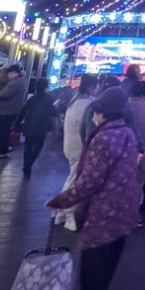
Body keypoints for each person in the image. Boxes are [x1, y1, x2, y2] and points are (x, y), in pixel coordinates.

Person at [47, 87, 140, 290]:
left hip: (102, 217)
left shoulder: (104, 139)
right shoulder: (128, 134)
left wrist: (61, 200)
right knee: (99, 274)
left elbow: (89, 182)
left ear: (101, 113)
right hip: (123, 215)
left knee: (93, 281)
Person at [58, 75, 99, 231]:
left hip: (70, 145)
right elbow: (90, 128)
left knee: (72, 179)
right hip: (80, 148)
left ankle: (60, 213)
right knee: (74, 181)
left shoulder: (74, 101)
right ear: (92, 87)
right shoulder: (88, 105)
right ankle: (69, 216)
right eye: (96, 87)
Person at [16, 79, 59, 177]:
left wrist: (17, 123)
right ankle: (29, 164)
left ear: (36, 87)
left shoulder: (31, 99)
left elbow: (23, 111)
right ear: (46, 87)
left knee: (28, 147)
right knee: (38, 147)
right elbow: (54, 112)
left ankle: (26, 165)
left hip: (29, 125)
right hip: (41, 127)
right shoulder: (49, 99)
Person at [0, 64, 25, 159]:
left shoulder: (15, 83)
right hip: (11, 110)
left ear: (13, 72)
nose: (8, 75)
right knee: (4, 131)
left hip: (7, 110)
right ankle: (3, 149)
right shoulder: (20, 81)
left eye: (9, 73)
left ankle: (2, 151)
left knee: (2, 131)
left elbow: (5, 94)